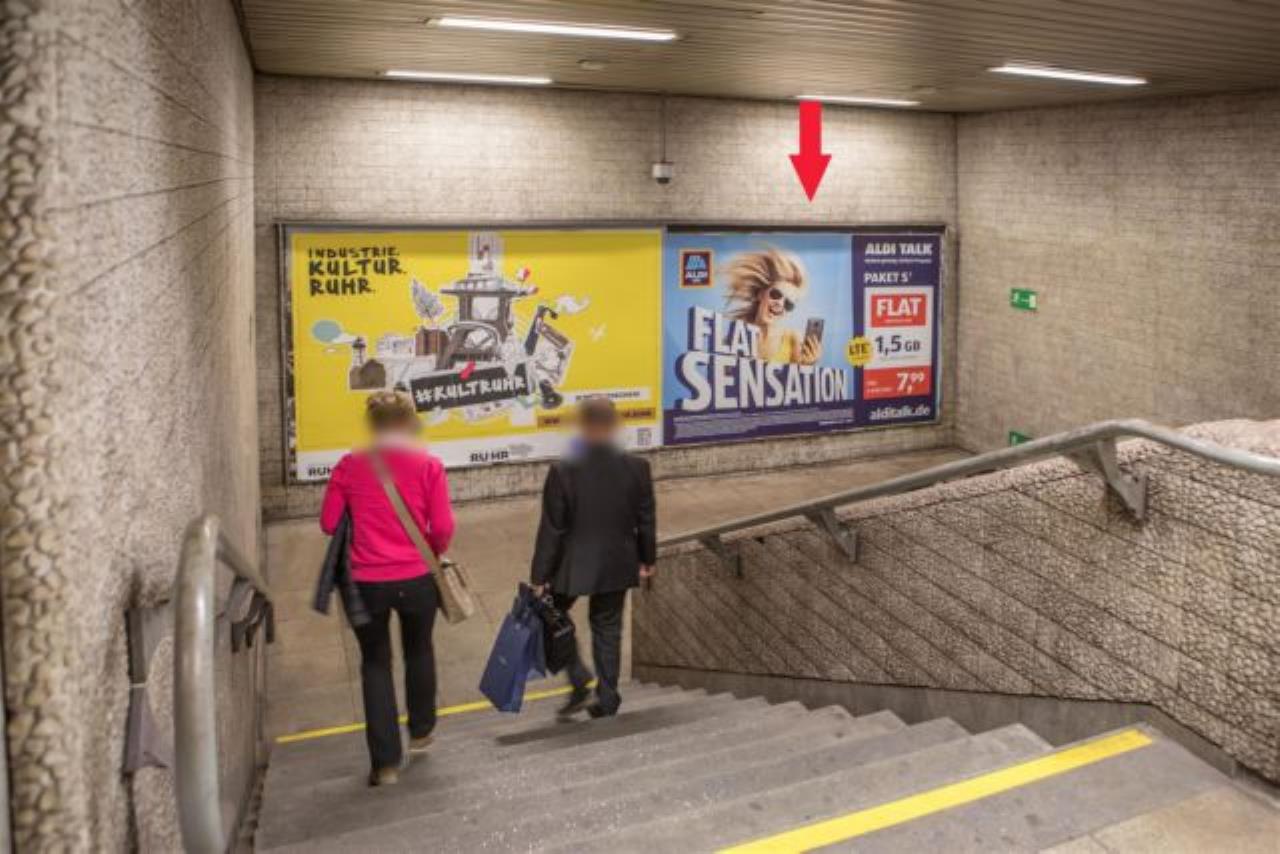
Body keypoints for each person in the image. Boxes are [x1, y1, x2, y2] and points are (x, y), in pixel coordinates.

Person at [319, 390, 455, 786]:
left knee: (375, 663)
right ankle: (422, 731)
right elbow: (442, 528)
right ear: (408, 422)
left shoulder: (349, 466)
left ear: (372, 425)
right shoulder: (429, 465)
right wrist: (431, 552)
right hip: (417, 579)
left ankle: (385, 764)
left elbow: (329, 523)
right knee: (420, 649)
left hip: (366, 583)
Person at [531, 397, 657, 718]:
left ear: (584, 426)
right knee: (608, 628)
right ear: (613, 425)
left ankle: (578, 679)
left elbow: (552, 529)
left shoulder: (562, 471)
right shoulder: (638, 468)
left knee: (549, 617)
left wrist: (539, 576)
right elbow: (645, 520)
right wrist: (647, 559)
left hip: (572, 564)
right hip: (617, 561)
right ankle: (608, 698)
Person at [724, 247, 822, 365]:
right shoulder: (736, 338)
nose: (780, 304)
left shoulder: (793, 339)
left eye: (788, 304)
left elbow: (798, 377)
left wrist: (807, 366)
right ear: (760, 294)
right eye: (776, 294)